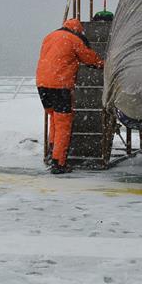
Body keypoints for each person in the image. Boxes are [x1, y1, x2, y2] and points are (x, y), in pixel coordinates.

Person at [35, 18, 104, 174]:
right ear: (78, 30)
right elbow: (89, 58)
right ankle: (58, 163)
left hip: (42, 83)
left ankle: (51, 152)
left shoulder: (50, 36)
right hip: (60, 85)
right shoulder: (74, 39)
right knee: (63, 124)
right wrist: (103, 64)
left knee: (54, 117)